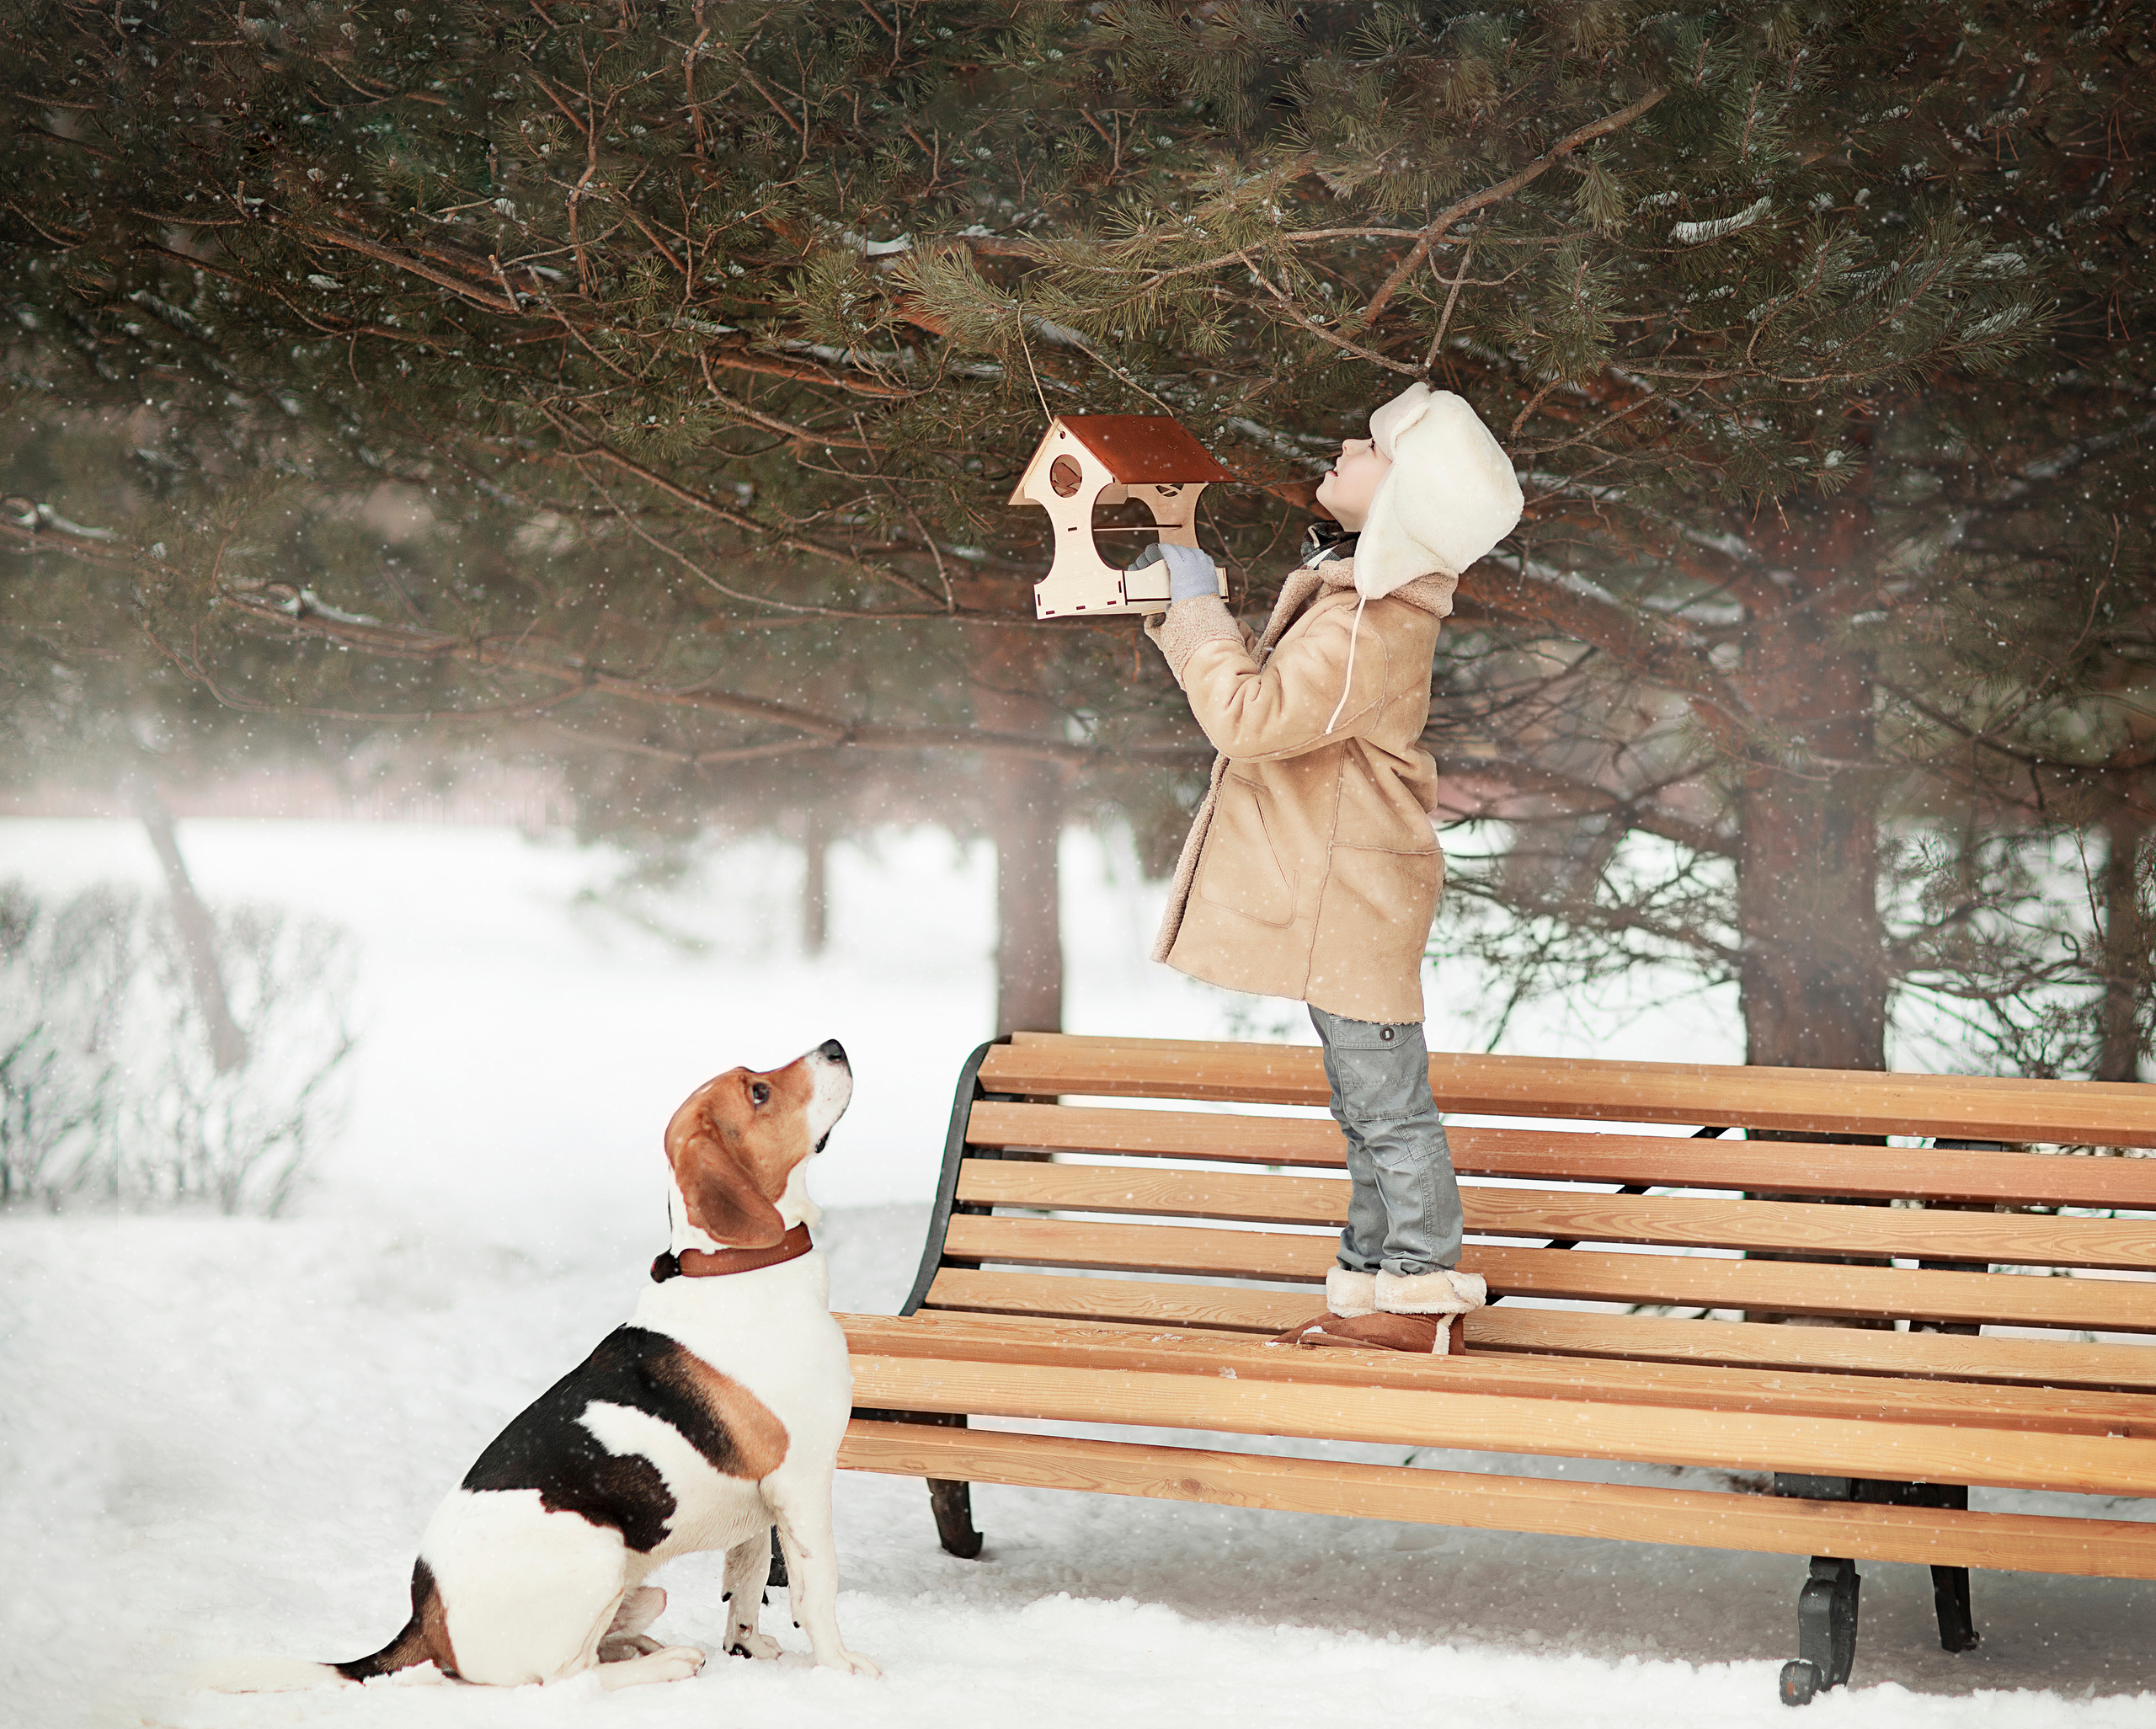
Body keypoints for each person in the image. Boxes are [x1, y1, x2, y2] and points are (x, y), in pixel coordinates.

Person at [1138, 382, 1523, 1353]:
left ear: (1407, 503)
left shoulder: (1373, 623)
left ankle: (1421, 1293)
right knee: (1365, 1103)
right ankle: (1370, 1285)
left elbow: (1251, 719)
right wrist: (1193, 608)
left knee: (1386, 1105)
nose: (1348, 439)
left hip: (1350, 897)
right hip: (1342, 890)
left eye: (1376, 445)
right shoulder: (1357, 602)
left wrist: (1197, 612)